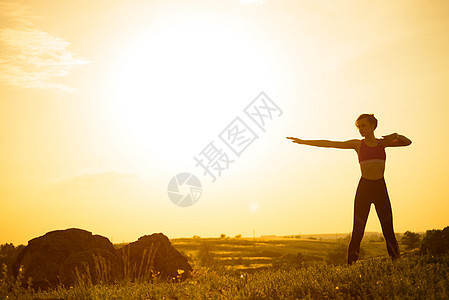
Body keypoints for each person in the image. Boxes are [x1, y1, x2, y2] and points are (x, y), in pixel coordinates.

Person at [286, 113, 412, 265]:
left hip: (380, 188)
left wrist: (395, 135)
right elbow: (330, 143)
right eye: (358, 127)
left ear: (373, 126)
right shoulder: (358, 144)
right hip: (364, 189)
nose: (360, 129)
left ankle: (397, 262)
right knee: (358, 232)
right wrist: (304, 142)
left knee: (388, 230)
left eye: (363, 126)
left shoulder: (382, 143)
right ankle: (351, 265)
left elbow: (407, 142)